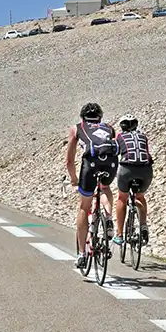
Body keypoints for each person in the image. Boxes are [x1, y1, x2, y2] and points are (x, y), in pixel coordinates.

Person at [66, 103, 118, 269]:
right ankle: (108, 217)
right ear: (100, 117)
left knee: (84, 206)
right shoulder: (109, 127)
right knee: (105, 188)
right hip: (110, 164)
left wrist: (74, 180)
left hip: (90, 165)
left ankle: (81, 254)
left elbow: (69, 161)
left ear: (82, 117)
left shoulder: (77, 128)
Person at [113, 114, 152, 247]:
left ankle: (119, 235)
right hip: (145, 170)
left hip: (126, 170)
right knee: (140, 197)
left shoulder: (119, 137)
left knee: (122, 198)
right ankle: (143, 225)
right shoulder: (143, 136)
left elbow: (115, 153)